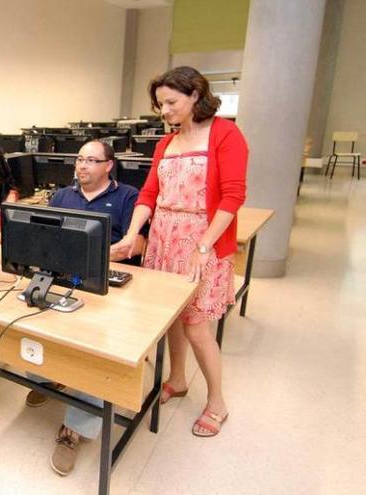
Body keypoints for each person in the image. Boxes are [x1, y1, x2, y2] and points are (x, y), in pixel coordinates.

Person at [115, 66, 248, 438]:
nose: (164, 111)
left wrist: (204, 245)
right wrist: (131, 234)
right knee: (171, 317)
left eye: (171, 102)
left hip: (202, 239)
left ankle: (217, 401)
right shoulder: (165, 143)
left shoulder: (225, 134)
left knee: (196, 326)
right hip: (164, 237)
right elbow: (149, 195)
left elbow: (234, 196)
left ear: (195, 96)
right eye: (160, 105)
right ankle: (177, 377)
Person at [26, 139, 148, 476]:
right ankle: (49, 380)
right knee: (30, 317)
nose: (82, 166)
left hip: (109, 285)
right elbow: (43, 233)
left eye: (91, 161)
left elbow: (137, 244)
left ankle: (74, 430)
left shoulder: (126, 197)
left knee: (97, 353)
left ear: (109, 165)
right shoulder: (63, 196)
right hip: (65, 275)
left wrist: (93, 254)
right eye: (79, 160)